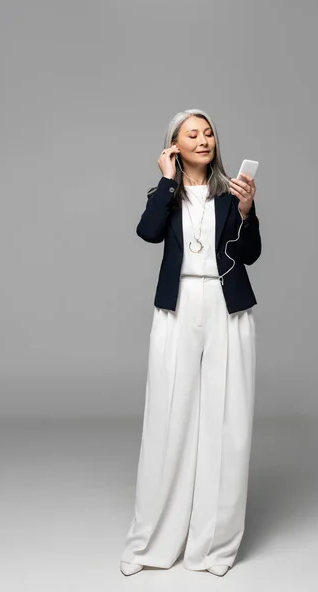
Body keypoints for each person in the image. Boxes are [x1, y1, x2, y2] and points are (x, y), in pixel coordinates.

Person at [120, 108, 262, 577]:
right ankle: (150, 544)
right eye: (192, 134)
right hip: (178, 305)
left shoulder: (232, 194)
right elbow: (148, 232)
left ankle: (214, 547)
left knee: (227, 420)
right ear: (174, 145)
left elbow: (250, 255)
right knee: (168, 416)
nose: (204, 139)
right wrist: (165, 181)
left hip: (226, 306)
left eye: (209, 132)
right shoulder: (165, 194)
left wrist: (245, 211)